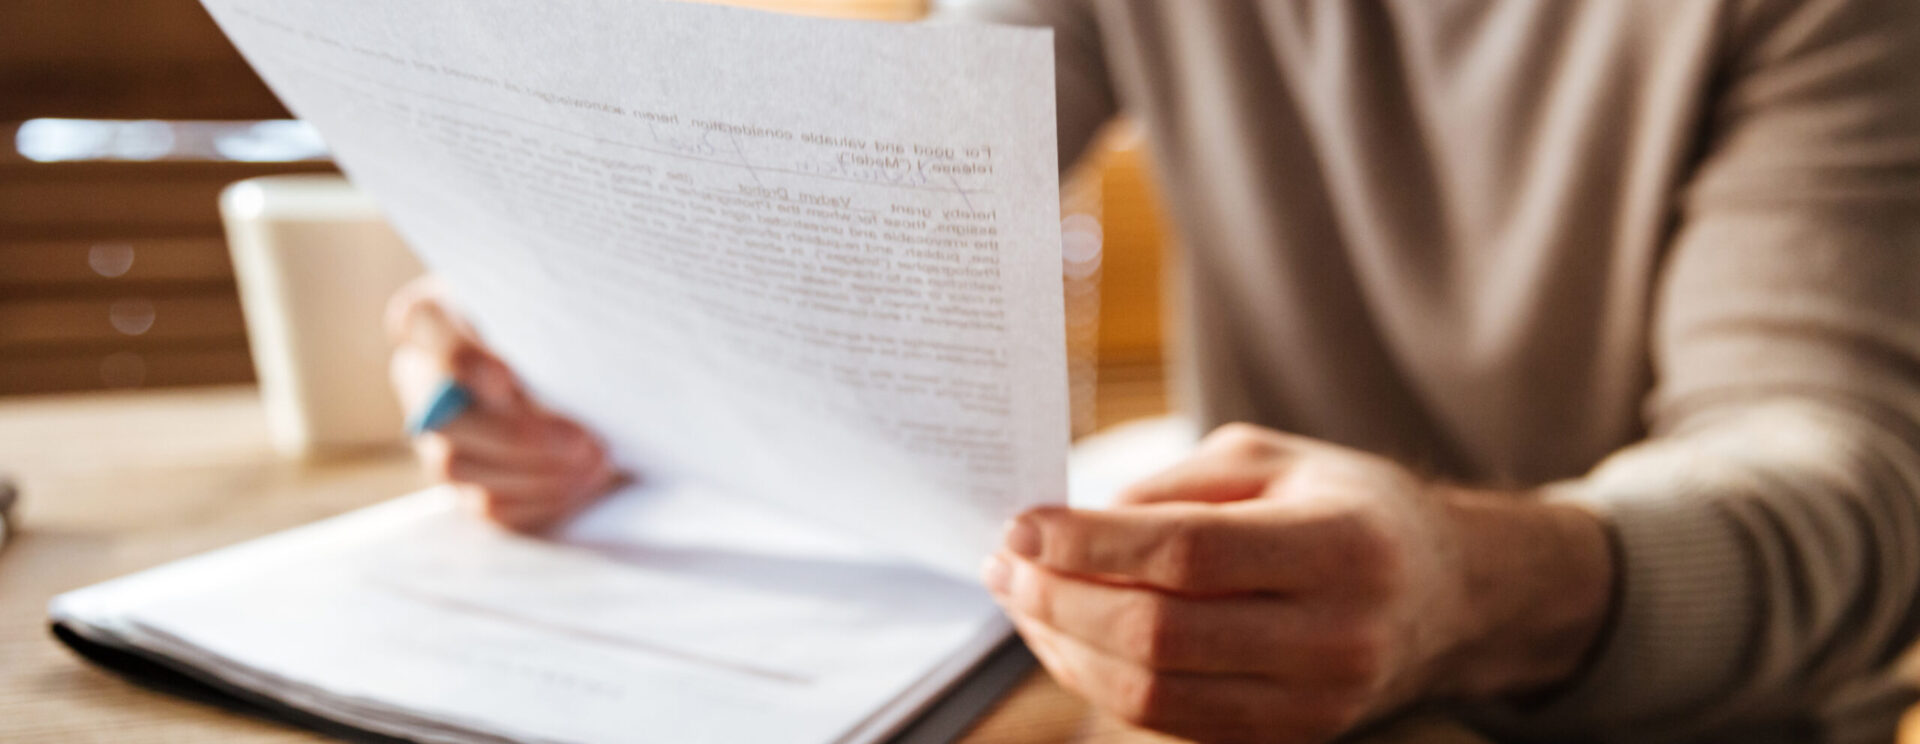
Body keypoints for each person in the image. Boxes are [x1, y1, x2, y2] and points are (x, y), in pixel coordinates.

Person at [386, 1, 1920, 741]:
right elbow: (860, 215)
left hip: (1692, 721)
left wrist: (1468, 585)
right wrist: (570, 324)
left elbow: (1847, 474)